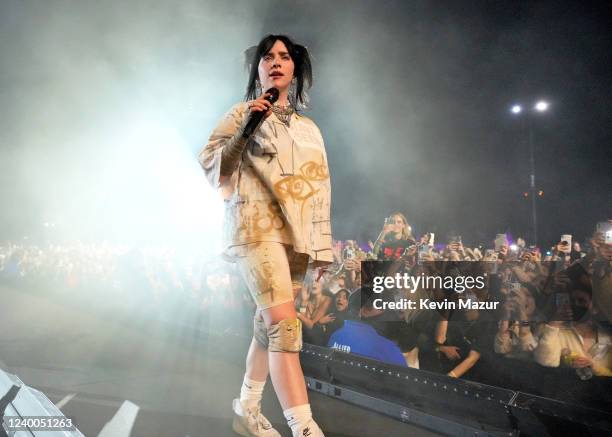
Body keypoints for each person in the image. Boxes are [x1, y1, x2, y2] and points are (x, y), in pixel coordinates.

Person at [199, 35, 332, 437]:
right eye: (267, 57)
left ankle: (247, 407)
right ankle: (304, 428)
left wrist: (323, 246)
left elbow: (322, 187)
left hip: (295, 238)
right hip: (254, 227)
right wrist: (244, 128)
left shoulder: (310, 129)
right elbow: (212, 166)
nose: (276, 62)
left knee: (267, 324)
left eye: (284, 56)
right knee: (285, 328)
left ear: (295, 68)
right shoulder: (241, 111)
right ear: (258, 68)